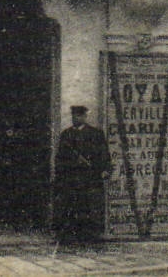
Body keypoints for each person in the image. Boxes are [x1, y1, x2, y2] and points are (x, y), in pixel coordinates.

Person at [53, 105, 111, 246]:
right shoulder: (66, 134)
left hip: (90, 177)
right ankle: (71, 237)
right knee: (71, 206)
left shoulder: (96, 134)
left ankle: (90, 237)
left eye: (79, 115)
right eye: (74, 115)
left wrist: (105, 169)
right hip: (72, 177)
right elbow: (60, 157)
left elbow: (104, 154)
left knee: (90, 207)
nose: (75, 118)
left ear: (85, 117)